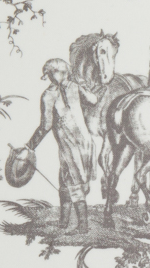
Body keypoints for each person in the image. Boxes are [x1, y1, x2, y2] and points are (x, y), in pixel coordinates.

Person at [23, 58, 100, 234]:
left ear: (52, 74)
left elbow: (45, 126)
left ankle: (82, 226)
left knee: (74, 184)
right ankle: (64, 221)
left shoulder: (49, 95)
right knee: (65, 181)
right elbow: (93, 100)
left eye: (50, 74)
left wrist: (30, 146)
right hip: (85, 143)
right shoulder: (74, 87)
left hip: (70, 146)